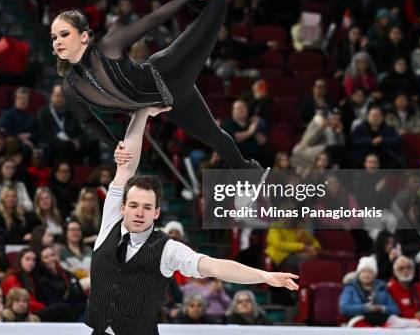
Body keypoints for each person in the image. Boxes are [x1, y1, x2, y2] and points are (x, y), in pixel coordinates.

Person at [51, 0, 265, 173]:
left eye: (64, 34)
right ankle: (249, 172)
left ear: (83, 36)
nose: (57, 41)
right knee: (215, 137)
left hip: (168, 72)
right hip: (169, 102)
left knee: (217, 4)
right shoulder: (70, 88)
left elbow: (153, 19)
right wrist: (115, 145)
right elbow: (89, 120)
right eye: (54, 37)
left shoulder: (106, 47)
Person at [85, 104, 297, 335]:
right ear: (122, 207)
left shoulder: (167, 249)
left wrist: (264, 275)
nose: (139, 212)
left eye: (147, 207)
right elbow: (125, 168)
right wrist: (141, 113)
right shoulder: (110, 222)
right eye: (134, 205)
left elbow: (215, 267)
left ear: (156, 213)